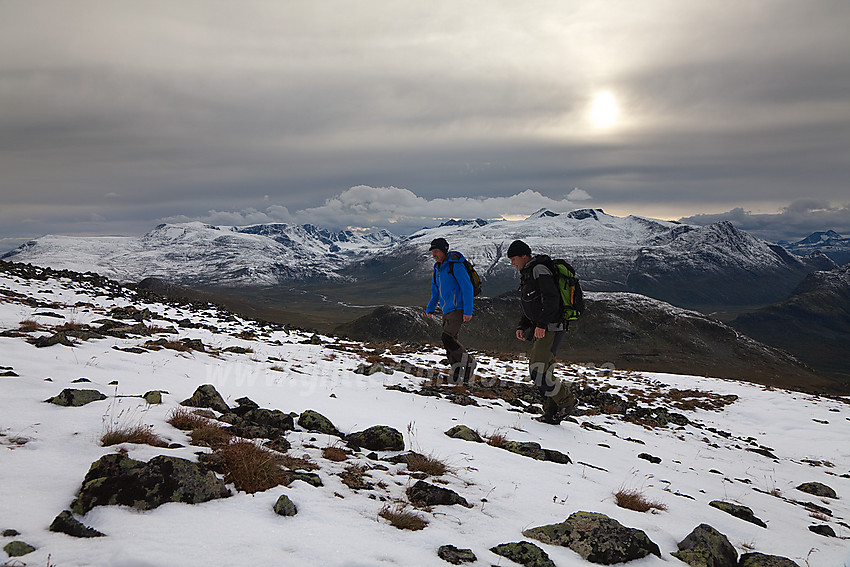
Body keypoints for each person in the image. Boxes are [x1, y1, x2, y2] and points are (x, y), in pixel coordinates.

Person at [507, 239, 578, 424]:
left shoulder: (538, 270)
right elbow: (532, 304)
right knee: (543, 371)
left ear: (524, 256)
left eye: (514, 258)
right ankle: (552, 413)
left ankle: (567, 401)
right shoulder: (528, 272)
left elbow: (551, 298)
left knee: (537, 371)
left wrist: (542, 325)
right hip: (545, 326)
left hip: (551, 328)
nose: (512, 263)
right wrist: (523, 325)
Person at [425, 237, 476, 383]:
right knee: (450, 342)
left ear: (444, 251)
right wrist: (430, 307)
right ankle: (459, 372)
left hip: (457, 308)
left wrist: (468, 310)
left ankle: (468, 363)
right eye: (433, 251)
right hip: (446, 308)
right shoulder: (437, 268)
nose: (434, 254)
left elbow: (467, 287)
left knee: (447, 338)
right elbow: (436, 291)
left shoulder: (455, 265)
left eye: (436, 251)